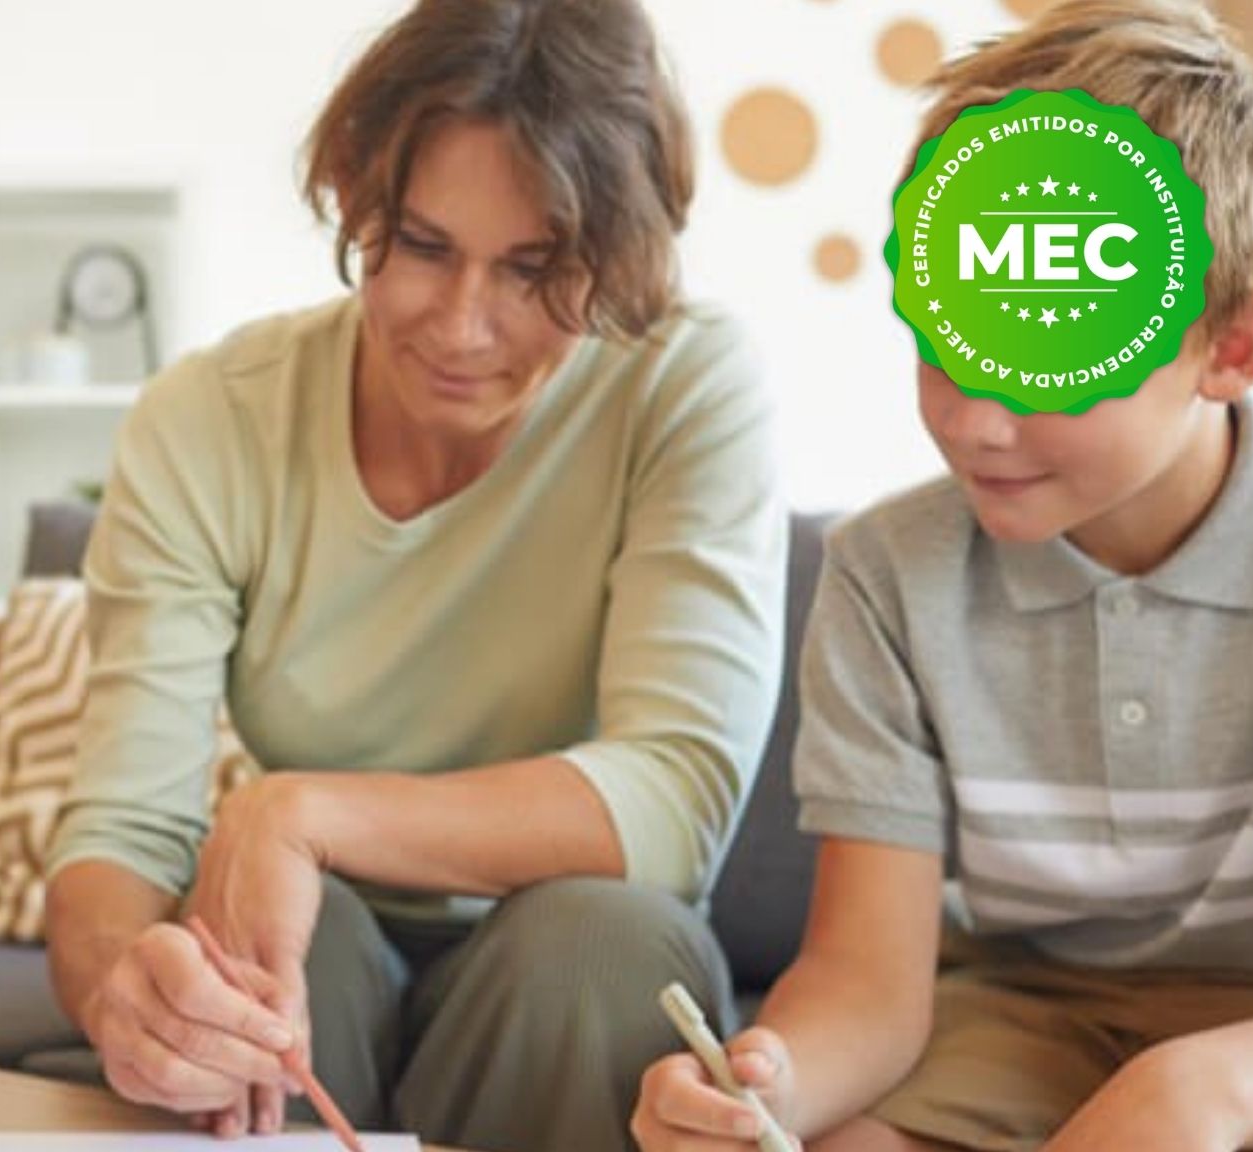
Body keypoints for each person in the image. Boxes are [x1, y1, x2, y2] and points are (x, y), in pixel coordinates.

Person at [41, 1, 787, 1148]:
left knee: (595, 945)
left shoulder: (683, 388)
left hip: (573, 953)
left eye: (533, 271)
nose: (461, 324)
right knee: (264, 958)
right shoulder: (208, 418)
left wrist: (300, 812)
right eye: (423, 245)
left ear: (617, 257)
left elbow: (677, 795)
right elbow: (123, 835)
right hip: (314, 939)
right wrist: (118, 994)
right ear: (351, 193)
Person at [631, 3, 1253, 1150]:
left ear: (1229, 348)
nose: (975, 422)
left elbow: (1201, 1098)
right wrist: (759, 1092)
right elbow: (866, 986)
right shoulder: (888, 575)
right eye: (944, 343)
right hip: (1018, 1021)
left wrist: (1206, 1089)